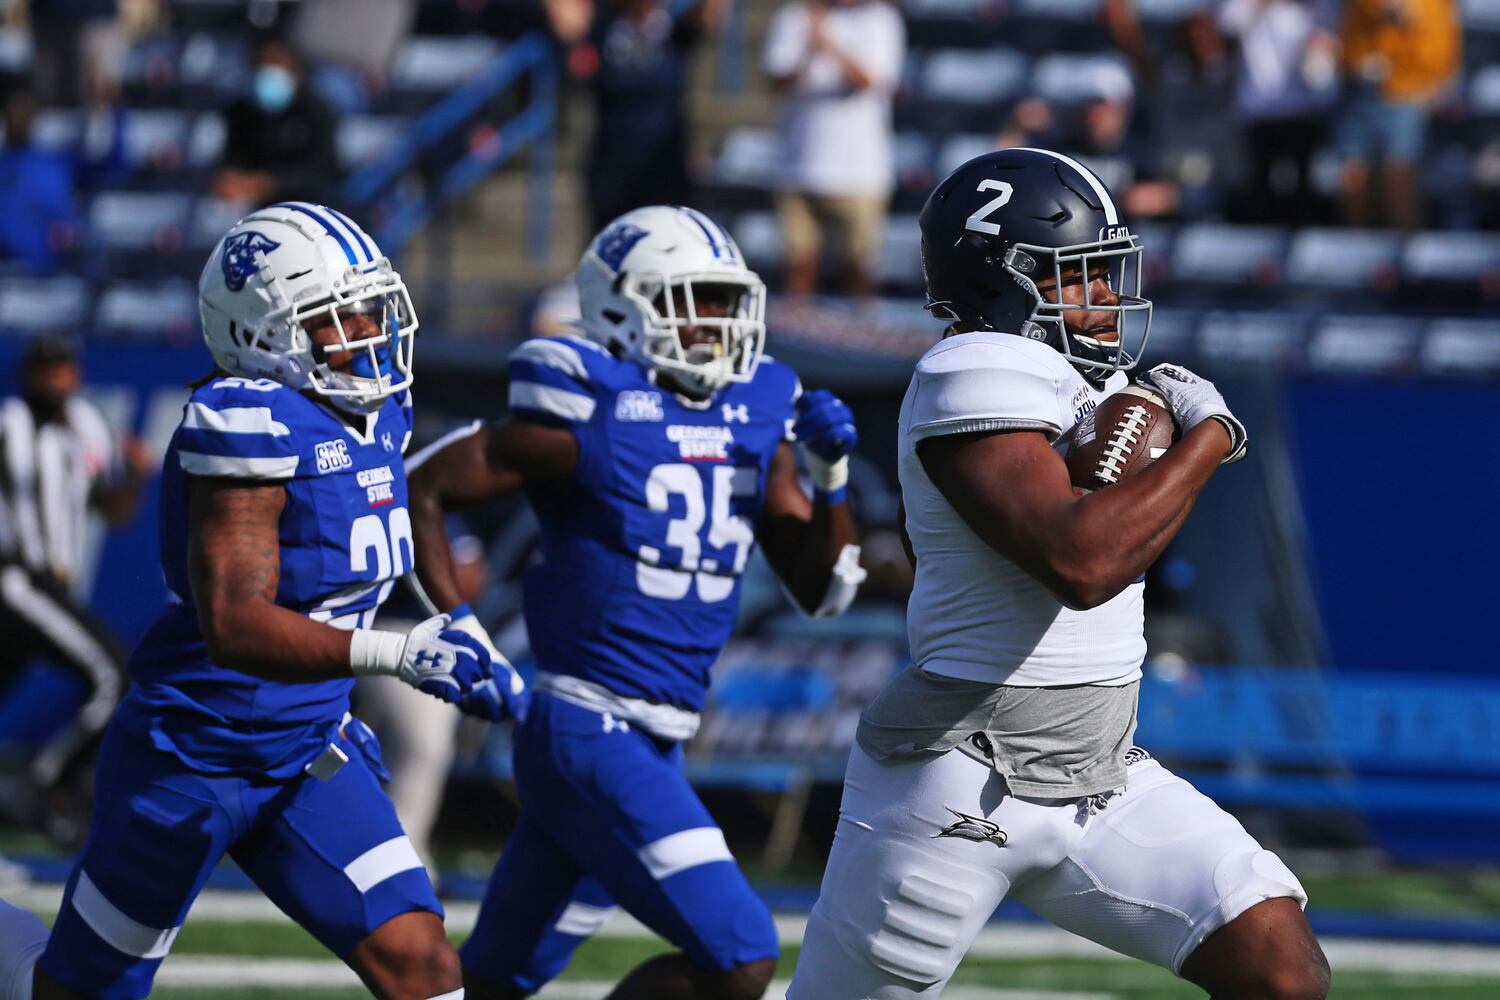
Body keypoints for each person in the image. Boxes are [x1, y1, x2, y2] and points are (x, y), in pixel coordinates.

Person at [786, 148, 1330, 1000]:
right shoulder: (970, 371)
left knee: (1280, 969)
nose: (1108, 296)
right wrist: (1209, 441)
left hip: (1101, 773)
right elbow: (1083, 562)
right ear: (1005, 281)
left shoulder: (1080, 375)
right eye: (1080, 277)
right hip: (963, 778)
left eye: (1105, 273)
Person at [15, 203, 523, 1000]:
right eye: (338, 317)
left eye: (371, 307)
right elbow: (235, 624)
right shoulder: (247, 421)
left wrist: (457, 619)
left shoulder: (379, 410)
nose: (368, 329)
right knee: (77, 992)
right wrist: (398, 652)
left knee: (424, 964)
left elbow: (409, 502)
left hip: (308, 750)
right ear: (260, 334)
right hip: (192, 754)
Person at [407, 204, 866, 1000]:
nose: (719, 324)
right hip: (588, 724)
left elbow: (821, 591)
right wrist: (458, 625)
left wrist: (829, 482)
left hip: (655, 736)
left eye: (728, 302)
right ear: (624, 306)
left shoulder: (754, 412)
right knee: (742, 954)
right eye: (697, 301)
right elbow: (425, 488)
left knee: (491, 983)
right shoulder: (589, 405)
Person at [0, 333, 150, 838]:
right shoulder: (9, 426)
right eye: (46, 368)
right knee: (114, 675)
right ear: (28, 375)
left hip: (51, 586)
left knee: (111, 678)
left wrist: (133, 475)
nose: (56, 377)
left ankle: (44, 784)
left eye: (63, 366)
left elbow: (114, 510)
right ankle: (46, 783)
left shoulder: (87, 424)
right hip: (17, 580)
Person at [546, 0, 729, 233]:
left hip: (664, 168)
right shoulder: (602, 31)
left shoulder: (675, 32)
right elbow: (566, 20)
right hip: (610, 170)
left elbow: (712, 12)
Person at [762, 0, 905, 297]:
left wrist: (826, 43)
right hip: (797, 165)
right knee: (799, 267)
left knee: (858, 270)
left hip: (859, 172)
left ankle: (863, 337)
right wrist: (807, 49)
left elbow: (868, 80)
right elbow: (777, 81)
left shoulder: (880, 20)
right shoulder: (794, 16)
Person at [1335, 0, 1461, 229]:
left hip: (1405, 93)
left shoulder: (1434, 5)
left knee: (1399, 176)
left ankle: (1404, 246)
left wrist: (1410, 21)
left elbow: (1440, 55)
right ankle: (1357, 248)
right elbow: (1347, 39)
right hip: (1358, 87)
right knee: (1353, 176)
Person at [215, 38, 342, 206]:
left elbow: (325, 167)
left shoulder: (318, 111)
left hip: (314, 207)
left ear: (294, 70)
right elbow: (233, 159)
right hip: (263, 211)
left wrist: (274, 183)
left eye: (275, 62)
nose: (268, 70)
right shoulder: (240, 112)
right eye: (262, 64)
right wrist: (232, 180)